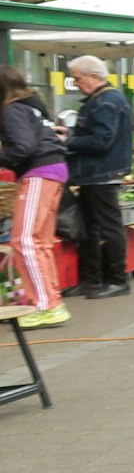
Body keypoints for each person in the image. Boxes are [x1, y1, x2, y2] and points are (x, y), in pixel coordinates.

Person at [1, 66, 72, 329]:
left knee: (25, 241)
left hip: (38, 172)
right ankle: (51, 301)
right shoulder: (31, 105)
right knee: (40, 242)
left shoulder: (11, 110)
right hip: (53, 170)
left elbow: (23, 146)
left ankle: (45, 306)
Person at [64, 55, 133, 299]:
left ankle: (117, 280)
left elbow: (102, 140)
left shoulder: (106, 101)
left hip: (101, 173)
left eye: (77, 78)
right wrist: (70, 135)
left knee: (108, 226)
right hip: (94, 173)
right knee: (88, 227)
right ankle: (90, 280)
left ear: (93, 76)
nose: (75, 83)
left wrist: (67, 141)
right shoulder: (103, 99)